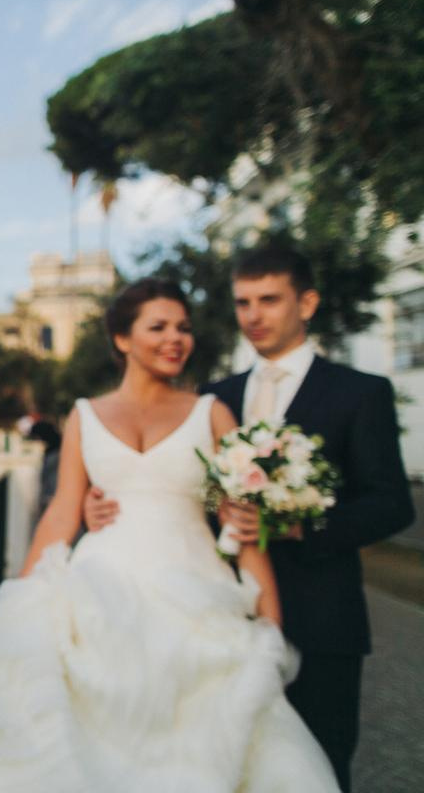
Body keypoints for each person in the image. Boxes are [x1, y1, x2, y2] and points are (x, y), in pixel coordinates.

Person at [0, 278, 339, 792]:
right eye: (159, 327)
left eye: (183, 327)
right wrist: (24, 594)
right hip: (101, 584)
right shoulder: (83, 415)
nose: (176, 338)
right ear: (123, 339)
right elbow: (61, 512)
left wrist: (271, 620)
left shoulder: (212, 413)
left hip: (197, 588)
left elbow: (239, 514)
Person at [83, 248, 414, 791]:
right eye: (243, 303)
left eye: (269, 300)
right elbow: (184, 492)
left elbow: (391, 503)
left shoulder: (360, 393)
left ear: (306, 303)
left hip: (324, 612)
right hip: (220, 612)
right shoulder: (213, 396)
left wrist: (303, 528)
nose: (253, 315)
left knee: (320, 768)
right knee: (230, 764)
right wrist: (93, 504)